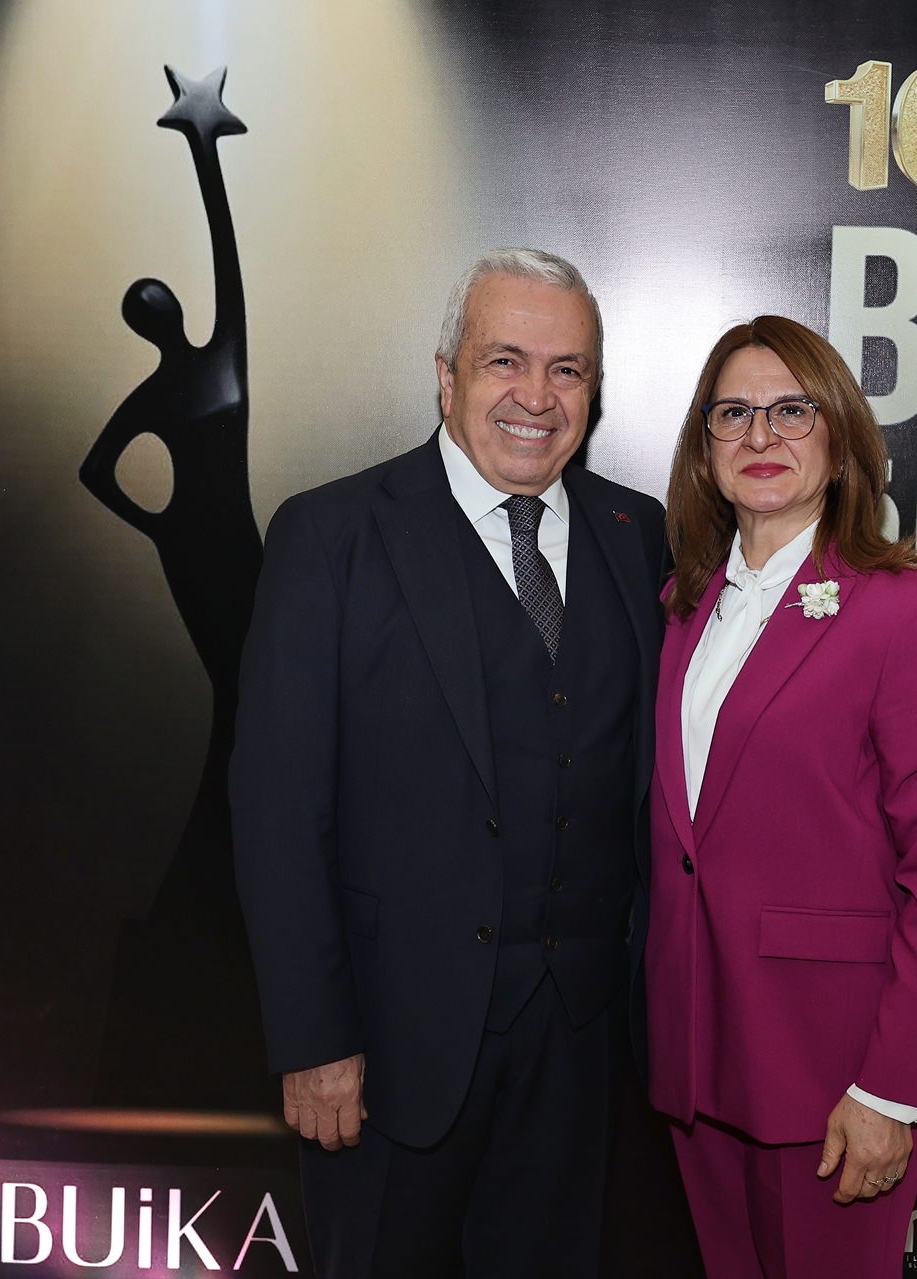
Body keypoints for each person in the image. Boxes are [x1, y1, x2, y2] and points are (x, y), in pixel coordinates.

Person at [231, 248, 668, 1278]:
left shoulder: (636, 533)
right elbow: (277, 810)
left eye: (567, 369)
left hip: (580, 1052)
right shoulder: (332, 535)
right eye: (504, 359)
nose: (536, 396)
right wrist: (313, 1039)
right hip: (390, 1058)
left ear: (594, 389)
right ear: (445, 374)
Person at [645, 316, 917, 1279]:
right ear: (705, 449)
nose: (761, 435)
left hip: (833, 1074)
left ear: (839, 441)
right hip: (697, 1059)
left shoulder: (909, 613)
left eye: (791, 410)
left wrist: (891, 1086)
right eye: (733, 414)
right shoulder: (681, 608)